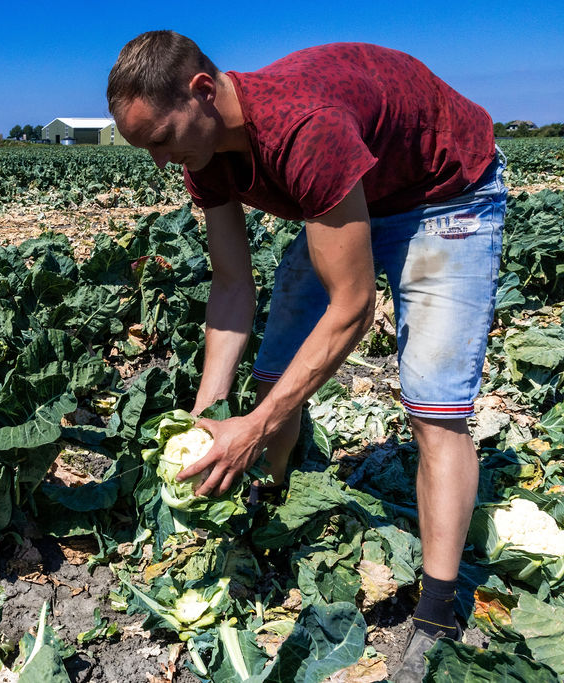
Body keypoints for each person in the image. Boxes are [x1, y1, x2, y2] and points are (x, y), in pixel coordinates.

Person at [108, 31, 506, 681]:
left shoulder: (304, 130)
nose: (159, 159)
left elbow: (353, 307)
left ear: (202, 91)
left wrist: (254, 430)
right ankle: (275, 500)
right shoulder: (203, 152)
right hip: (359, 193)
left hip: (445, 191)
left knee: (434, 409)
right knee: (274, 376)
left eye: (161, 138)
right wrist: (209, 414)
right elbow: (232, 286)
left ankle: (438, 615)